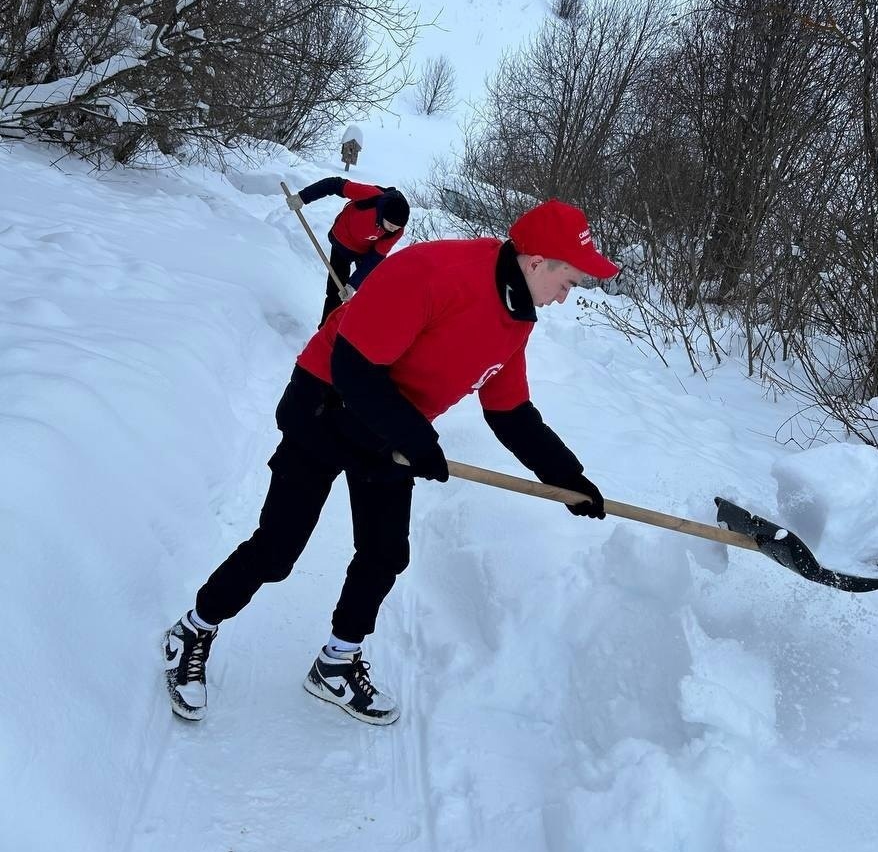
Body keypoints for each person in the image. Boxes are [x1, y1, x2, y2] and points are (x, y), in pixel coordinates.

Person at [163, 199, 618, 726]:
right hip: (326, 402)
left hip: (393, 425)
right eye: (570, 281)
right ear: (538, 262)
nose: (567, 295)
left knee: (384, 553)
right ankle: (193, 628)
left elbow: (510, 411)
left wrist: (567, 477)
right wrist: (416, 440)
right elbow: (352, 369)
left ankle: (335, 662)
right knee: (277, 550)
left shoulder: (517, 315)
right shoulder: (435, 272)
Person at [285, 176, 410, 323]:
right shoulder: (370, 196)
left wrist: (353, 284)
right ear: (383, 214)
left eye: (396, 228)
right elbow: (334, 184)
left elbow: (375, 257)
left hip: (365, 252)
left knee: (370, 289)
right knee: (336, 291)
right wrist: (302, 197)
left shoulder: (396, 231)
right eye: (390, 225)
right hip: (342, 242)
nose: (392, 230)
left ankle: (359, 330)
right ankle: (325, 330)